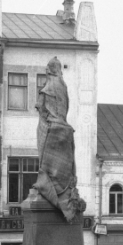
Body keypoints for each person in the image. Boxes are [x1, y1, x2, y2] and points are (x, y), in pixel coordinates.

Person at [34, 57, 86, 223]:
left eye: (48, 68)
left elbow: (40, 107)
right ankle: (61, 187)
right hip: (64, 127)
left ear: (50, 69)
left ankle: (48, 183)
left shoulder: (48, 86)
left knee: (44, 156)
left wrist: (48, 118)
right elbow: (66, 106)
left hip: (51, 127)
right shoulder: (63, 85)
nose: (46, 71)